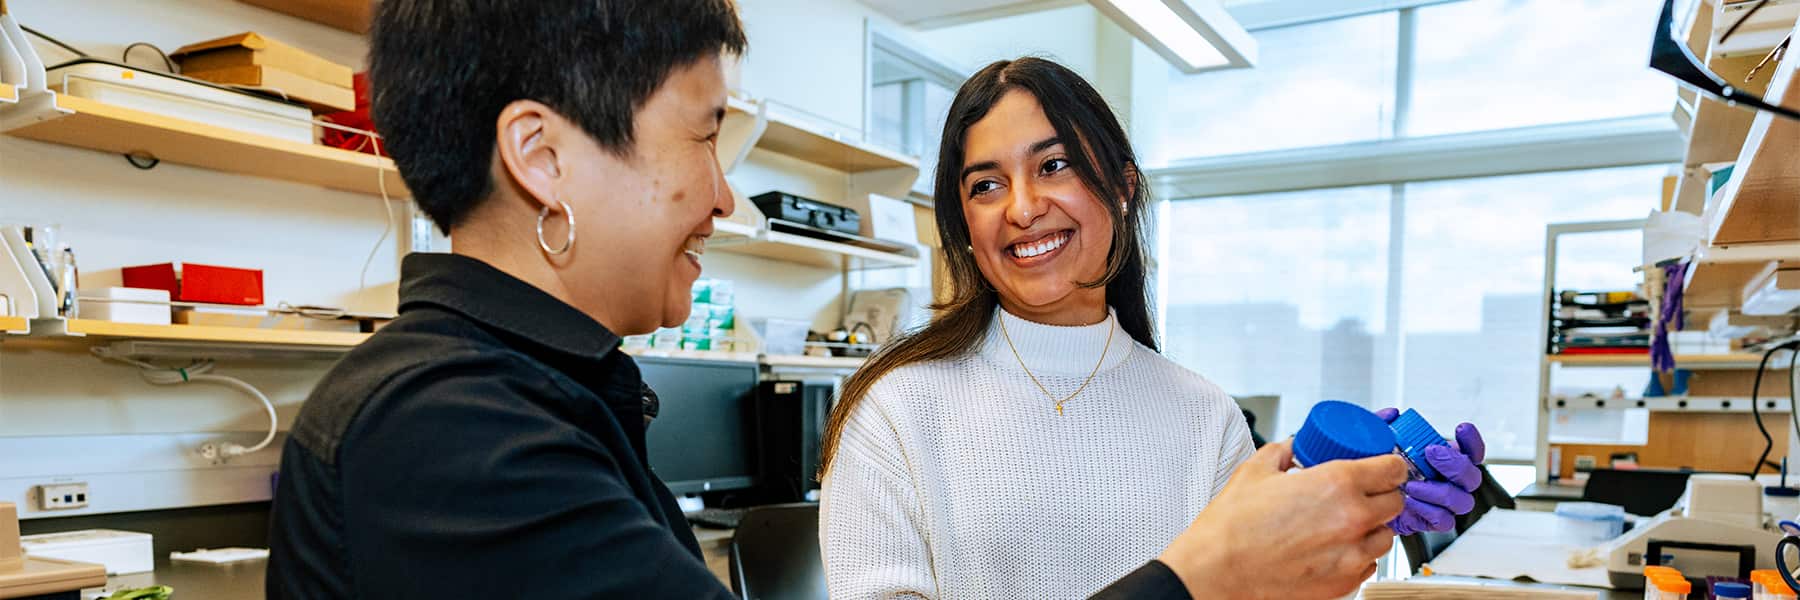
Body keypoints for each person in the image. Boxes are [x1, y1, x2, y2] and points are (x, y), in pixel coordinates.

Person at [816, 57, 1489, 599]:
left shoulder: (1204, 416)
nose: (1022, 208)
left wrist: (1346, 515)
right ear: (963, 224)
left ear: (1124, 184)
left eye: (1054, 166)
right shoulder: (896, 411)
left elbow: (1263, 588)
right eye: (986, 185)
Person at [263, 1, 753, 597]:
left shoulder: (535, 393)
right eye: (705, 135)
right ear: (542, 157)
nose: (724, 198)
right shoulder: (450, 427)